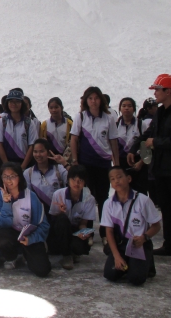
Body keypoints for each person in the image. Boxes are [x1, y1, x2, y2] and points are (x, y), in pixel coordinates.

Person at [129, 74, 171, 266]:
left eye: (157, 90)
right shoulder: (161, 112)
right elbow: (149, 134)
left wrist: (155, 142)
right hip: (161, 170)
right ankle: (170, 245)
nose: (155, 93)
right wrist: (135, 147)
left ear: (168, 91)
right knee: (167, 209)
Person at [70, 86, 119, 244]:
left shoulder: (109, 118)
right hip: (86, 164)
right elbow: (74, 139)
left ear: (101, 100)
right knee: (87, 198)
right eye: (90, 98)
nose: (93, 101)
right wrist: (75, 160)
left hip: (103, 164)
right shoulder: (81, 117)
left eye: (96, 98)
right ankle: (89, 232)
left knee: (103, 198)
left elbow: (113, 141)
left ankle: (105, 233)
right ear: (86, 100)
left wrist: (116, 163)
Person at [102, 166, 161, 286]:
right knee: (110, 274)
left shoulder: (143, 200)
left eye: (119, 177)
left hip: (138, 244)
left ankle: (146, 263)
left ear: (128, 179)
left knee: (136, 279)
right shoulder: (108, 203)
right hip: (120, 245)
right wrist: (117, 256)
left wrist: (144, 237)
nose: (116, 181)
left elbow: (156, 226)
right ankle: (129, 262)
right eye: (112, 179)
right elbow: (109, 231)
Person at [0, 162, 50, 276]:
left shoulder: (31, 197)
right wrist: (6, 203)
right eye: (5, 176)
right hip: (11, 232)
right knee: (2, 239)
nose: (8, 180)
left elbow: (44, 225)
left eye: (12, 176)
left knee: (43, 270)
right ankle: (12, 256)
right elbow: (4, 224)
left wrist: (31, 239)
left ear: (19, 177)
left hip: (29, 235)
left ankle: (29, 253)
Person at [49, 165, 96, 270]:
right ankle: (66, 255)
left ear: (85, 182)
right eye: (73, 179)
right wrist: (60, 212)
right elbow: (53, 219)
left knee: (80, 247)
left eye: (80, 180)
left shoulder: (89, 199)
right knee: (62, 219)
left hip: (75, 230)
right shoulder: (58, 194)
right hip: (60, 229)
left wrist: (83, 233)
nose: (76, 183)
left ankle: (72, 251)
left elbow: (83, 223)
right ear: (68, 180)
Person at [0, 89, 38, 170]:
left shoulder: (29, 123)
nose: (14, 104)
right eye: (11, 101)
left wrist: (23, 167)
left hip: (25, 164)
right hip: (6, 163)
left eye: (17, 101)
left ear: (22, 104)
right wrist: (7, 165)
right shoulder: (2, 122)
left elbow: (32, 146)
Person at [24, 139, 68, 209]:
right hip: (38, 211)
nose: (38, 155)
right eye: (35, 152)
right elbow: (27, 197)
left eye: (41, 151)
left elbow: (74, 178)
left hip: (58, 210)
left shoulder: (59, 169)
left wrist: (64, 163)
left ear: (48, 153)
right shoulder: (28, 173)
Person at [117, 97, 147, 194]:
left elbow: (146, 146)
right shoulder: (115, 125)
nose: (126, 108)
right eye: (124, 106)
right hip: (121, 162)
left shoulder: (141, 124)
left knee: (140, 191)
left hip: (138, 163)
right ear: (120, 108)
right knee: (123, 191)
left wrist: (141, 162)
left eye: (129, 106)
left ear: (134, 109)